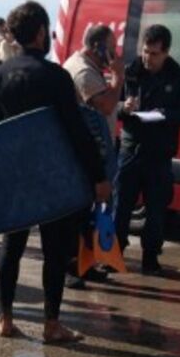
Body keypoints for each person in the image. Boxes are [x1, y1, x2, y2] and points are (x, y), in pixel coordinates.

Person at [0, 0, 110, 343]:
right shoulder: (55, 76)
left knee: (12, 249)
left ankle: (6, 319)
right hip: (51, 177)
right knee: (55, 252)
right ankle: (51, 324)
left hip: (15, 178)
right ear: (41, 33)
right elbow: (76, 130)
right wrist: (98, 176)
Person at [114, 24, 180, 275]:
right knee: (121, 207)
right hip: (130, 150)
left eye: (154, 53)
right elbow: (111, 105)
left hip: (159, 153)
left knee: (156, 210)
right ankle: (114, 254)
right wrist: (123, 108)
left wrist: (166, 115)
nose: (147, 58)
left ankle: (151, 258)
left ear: (166, 52)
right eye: (145, 51)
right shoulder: (130, 72)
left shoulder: (178, 76)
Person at [62, 24, 124, 286]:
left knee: (92, 212)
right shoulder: (82, 70)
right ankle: (72, 269)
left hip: (95, 149)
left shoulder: (91, 68)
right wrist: (118, 78)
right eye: (111, 48)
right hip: (84, 154)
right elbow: (105, 105)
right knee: (78, 213)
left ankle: (86, 264)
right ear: (98, 47)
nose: (114, 53)